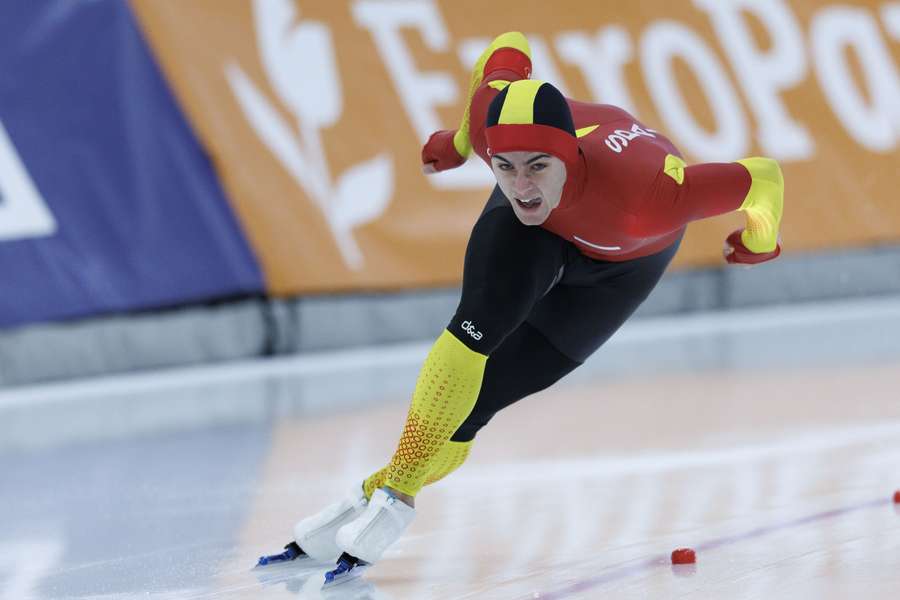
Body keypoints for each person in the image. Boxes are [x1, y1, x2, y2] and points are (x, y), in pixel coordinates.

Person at [257, 31, 784, 582]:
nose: (521, 185)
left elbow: (764, 178)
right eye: (504, 166)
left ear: (568, 155)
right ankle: (394, 494)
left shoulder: (651, 200)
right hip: (546, 232)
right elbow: (507, 45)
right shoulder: (497, 136)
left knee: (479, 403)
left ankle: (379, 491)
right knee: (474, 331)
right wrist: (462, 142)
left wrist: (760, 240)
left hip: (623, 264)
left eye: (536, 166)